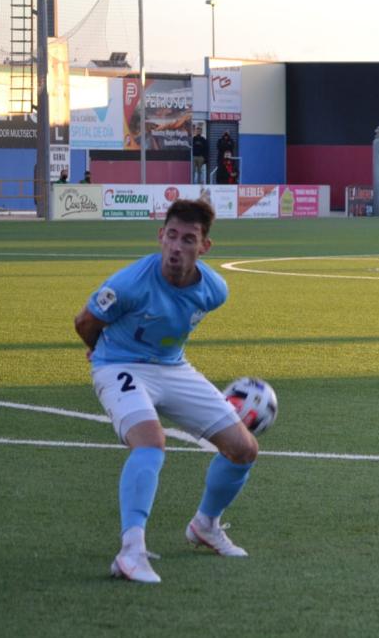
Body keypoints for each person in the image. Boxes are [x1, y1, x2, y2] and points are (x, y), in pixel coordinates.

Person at [73, 199, 260, 583]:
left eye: (189, 239)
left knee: (244, 449)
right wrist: (99, 351)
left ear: (204, 247)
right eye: (171, 236)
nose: (177, 247)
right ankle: (131, 550)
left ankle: (205, 525)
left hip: (172, 367)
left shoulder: (214, 290)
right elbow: (85, 321)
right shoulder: (129, 282)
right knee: (150, 443)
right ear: (160, 236)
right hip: (120, 365)